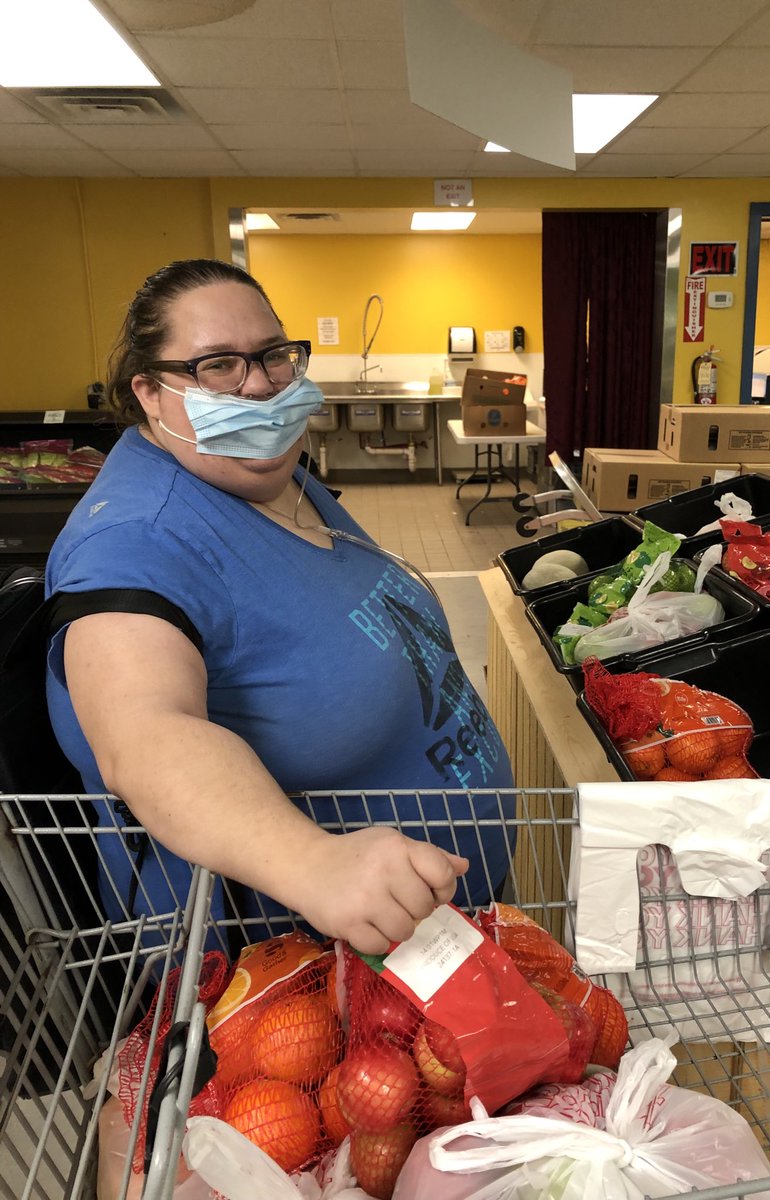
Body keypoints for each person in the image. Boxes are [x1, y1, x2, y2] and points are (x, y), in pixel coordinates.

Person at [45, 258, 516, 955]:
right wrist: (313, 863)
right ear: (149, 391)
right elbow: (145, 735)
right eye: (218, 366)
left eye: (274, 356)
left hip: (435, 932)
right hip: (300, 976)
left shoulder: (268, 478)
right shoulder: (132, 542)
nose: (260, 384)